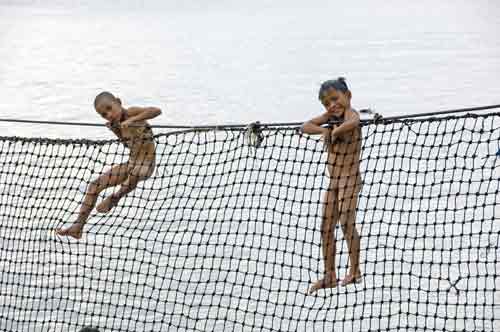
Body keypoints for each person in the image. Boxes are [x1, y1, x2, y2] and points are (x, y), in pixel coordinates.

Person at [56, 91, 161, 239]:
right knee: (94, 185)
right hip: (131, 163)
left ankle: (115, 198)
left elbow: (156, 111)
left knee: (136, 172)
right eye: (104, 115)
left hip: (146, 165)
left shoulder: (132, 113)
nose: (109, 115)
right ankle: (78, 227)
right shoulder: (116, 124)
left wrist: (132, 121)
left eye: (110, 108)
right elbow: (127, 145)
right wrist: (117, 131)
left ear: (118, 102)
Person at [301, 77, 362, 294]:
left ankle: (355, 271)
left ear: (348, 96)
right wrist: (324, 130)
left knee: (346, 223)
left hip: (349, 180)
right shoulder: (329, 118)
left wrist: (336, 131)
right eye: (327, 103)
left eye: (336, 99)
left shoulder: (350, 114)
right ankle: (330, 275)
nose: (332, 105)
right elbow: (305, 127)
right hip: (333, 182)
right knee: (325, 227)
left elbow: (354, 123)